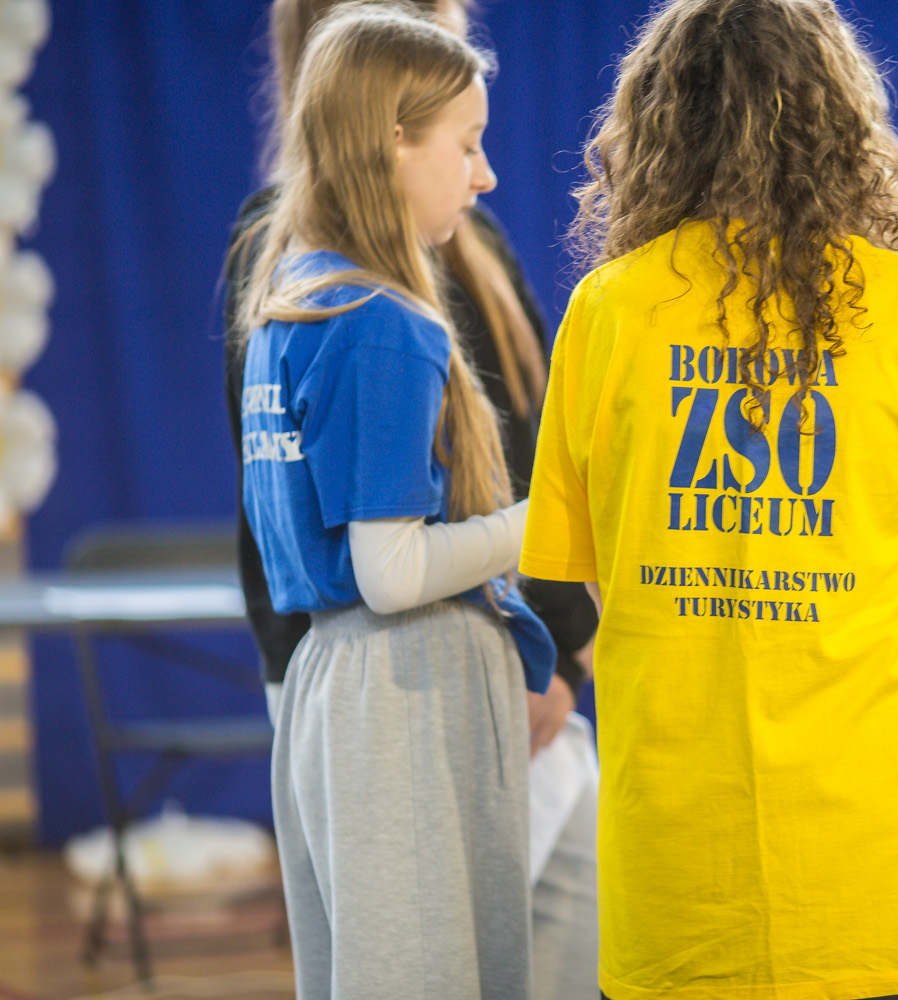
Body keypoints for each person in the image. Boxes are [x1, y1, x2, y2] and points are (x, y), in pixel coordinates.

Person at [518, 1, 898, 997]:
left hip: (681, 877)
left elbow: (598, 578)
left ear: (660, 125)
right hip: (885, 871)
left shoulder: (605, 311)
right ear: (841, 121)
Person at [223, 1, 601, 995]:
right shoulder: (384, 323)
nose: (486, 175)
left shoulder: (291, 293)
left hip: (335, 686)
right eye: (467, 145)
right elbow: (388, 573)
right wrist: (551, 520)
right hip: (400, 689)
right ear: (394, 139)